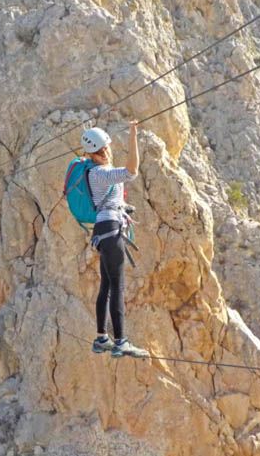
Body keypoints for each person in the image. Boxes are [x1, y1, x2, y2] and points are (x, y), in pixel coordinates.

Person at [84, 122, 149, 358]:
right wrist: (133, 134)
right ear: (101, 150)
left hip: (102, 231)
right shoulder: (101, 173)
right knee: (117, 286)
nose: (109, 152)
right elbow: (132, 170)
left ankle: (102, 338)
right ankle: (121, 342)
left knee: (106, 285)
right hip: (112, 232)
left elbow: (110, 199)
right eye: (106, 149)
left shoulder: (92, 171)